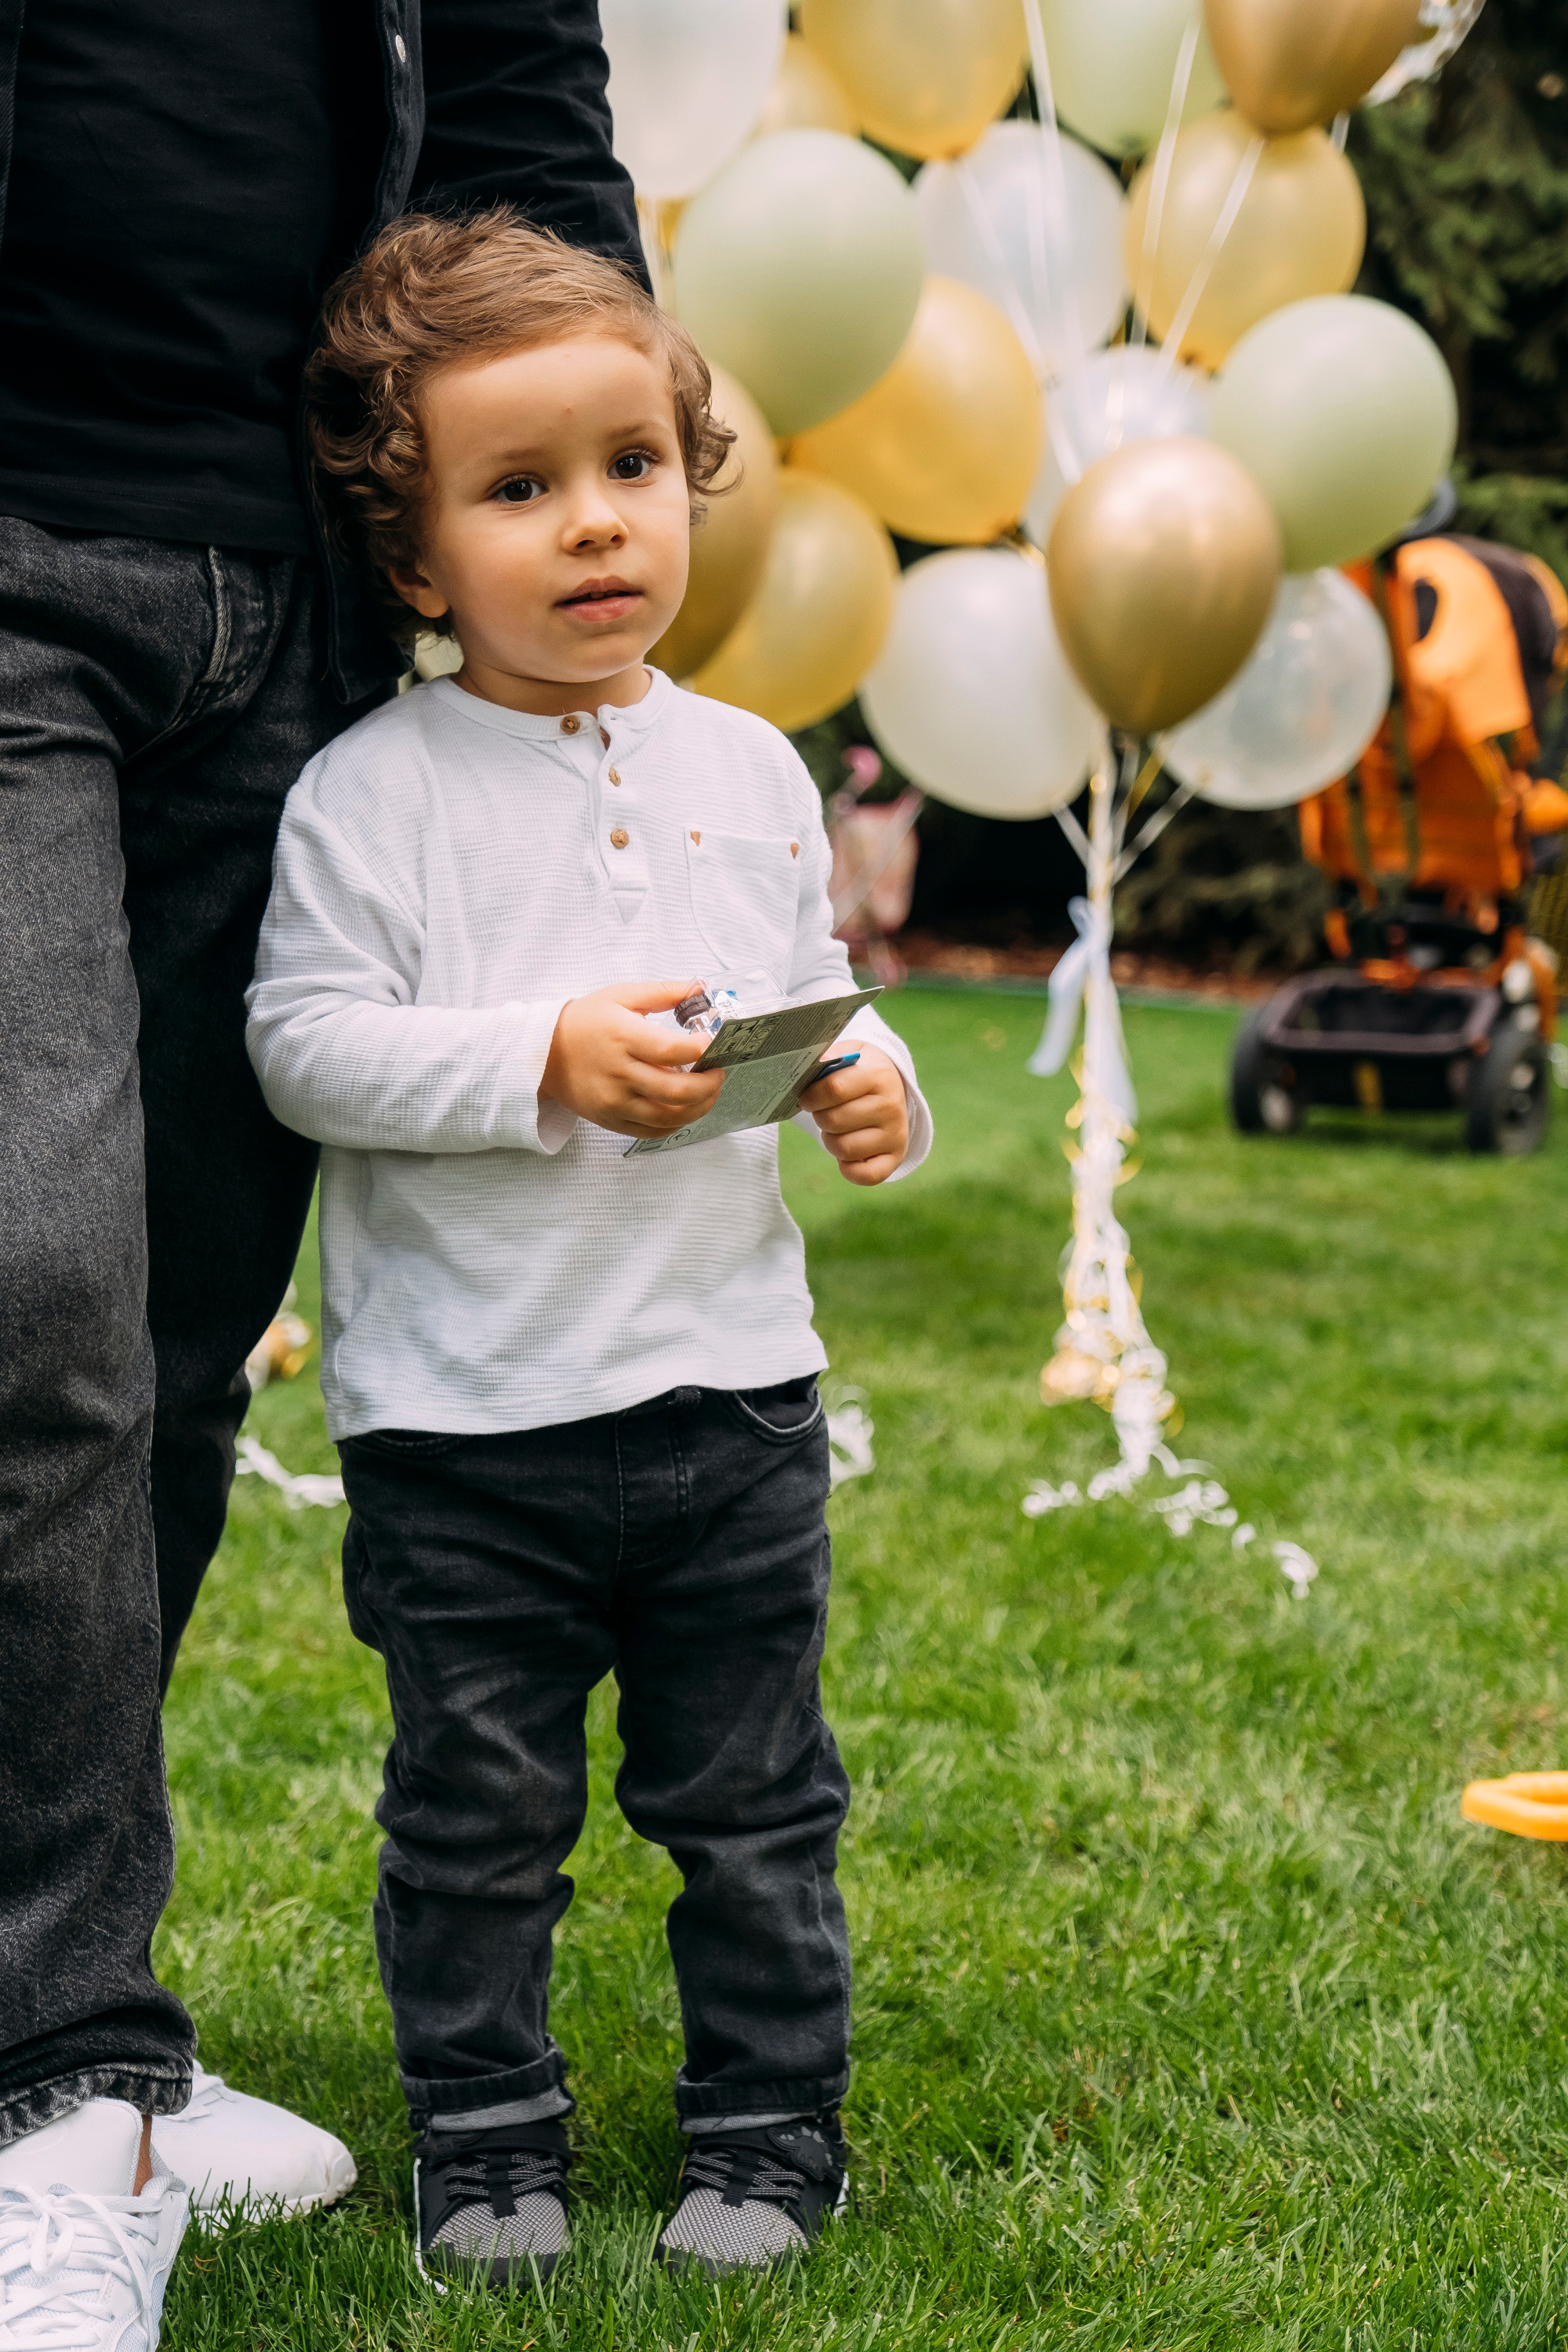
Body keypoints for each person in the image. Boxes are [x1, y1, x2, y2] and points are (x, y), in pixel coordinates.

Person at [0, 2, 641, 2340]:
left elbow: (517, 103)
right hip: (19, 551)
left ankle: (65, 2014)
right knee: (29, 1288)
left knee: (169, 1340)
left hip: (287, 598)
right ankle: (58, 2083)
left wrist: (577, 504)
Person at [243, 210, 933, 2289]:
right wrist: (539, 1055)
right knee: (477, 1824)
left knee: (755, 1811)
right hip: (469, 1430)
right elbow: (305, 1048)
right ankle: (486, 2139)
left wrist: (861, 1068)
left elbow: (798, 977)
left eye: (635, 466)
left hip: (727, 1394)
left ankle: (767, 2131)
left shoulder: (741, 767)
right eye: (520, 489)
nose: (598, 525)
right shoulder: (375, 796)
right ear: (416, 553)